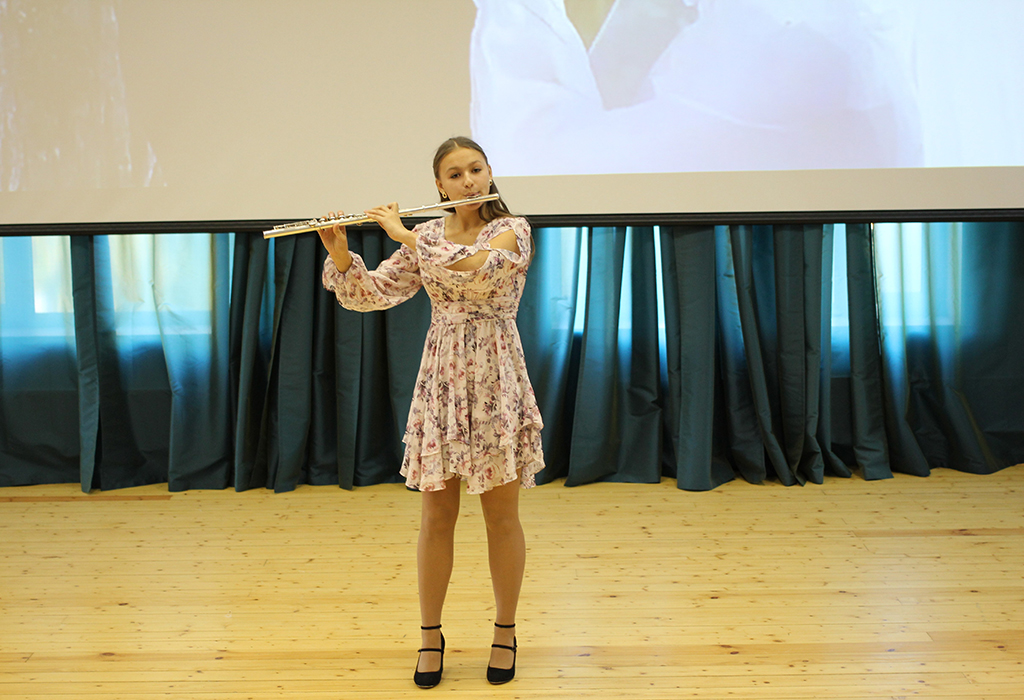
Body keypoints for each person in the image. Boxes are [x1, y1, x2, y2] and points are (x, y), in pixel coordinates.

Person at [317, 136, 545, 688]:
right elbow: (373, 293)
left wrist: (404, 236)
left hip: (495, 375)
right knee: (436, 516)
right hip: (442, 378)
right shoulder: (428, 235)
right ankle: (429, 635)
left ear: (489, 173)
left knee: (501, 517)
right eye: (455, 174)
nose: (468, 181)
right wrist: (341, 254)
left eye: (476, 169)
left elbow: (476, 270)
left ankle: (505, 631)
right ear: (439, 186)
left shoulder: (512, 230)